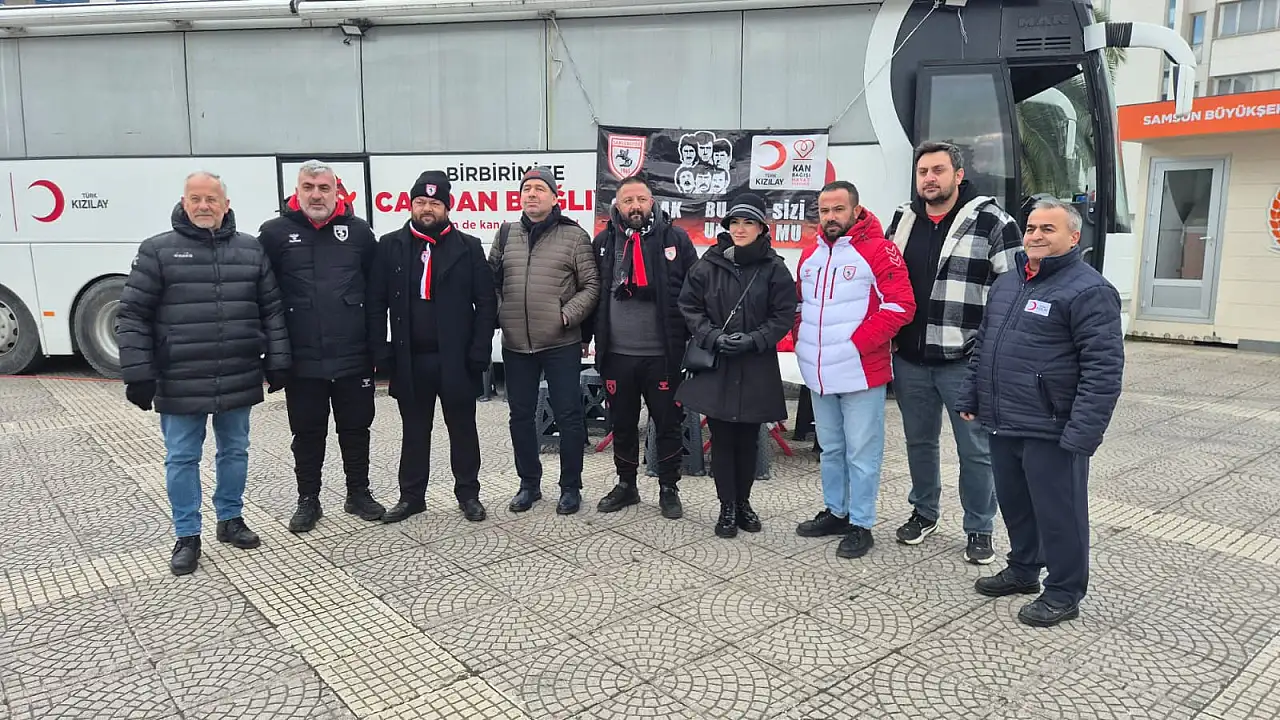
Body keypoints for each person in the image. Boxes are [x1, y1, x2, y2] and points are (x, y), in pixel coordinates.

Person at [958, 198, 1124, 627]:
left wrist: (1082, 433)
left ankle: (1065, 592)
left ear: (1073, 236)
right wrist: (971, 396)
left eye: (1048, 229)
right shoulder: (1008, 282)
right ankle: (1023, 569)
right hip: (1004, 420)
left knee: (1060, 514)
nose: (1035, 235)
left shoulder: (1090, 290)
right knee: (1016, 504)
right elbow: (985, 345)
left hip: (1052, 427)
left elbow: (1103, 370)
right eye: (1031, 228)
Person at [116, 171, 290, 576]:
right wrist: (138, 372)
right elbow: (133, 315)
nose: (203, 206)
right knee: (182, 457)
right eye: (195, 198)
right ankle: (187, 535)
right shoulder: (157, 250)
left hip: (237, 370)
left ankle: (230, 518)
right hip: (180, 375)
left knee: (235, 451)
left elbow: (271, 309)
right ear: (184, 202)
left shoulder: (250, 250)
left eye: (211, 199)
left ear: (225, 205)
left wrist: (278, 359)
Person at [885, 140, 1022, 565]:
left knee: (976, 451)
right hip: (910, 358)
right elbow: (885, 279)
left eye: (938, 170)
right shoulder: (903, 220)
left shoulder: (993, 222)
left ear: (958, 175)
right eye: (923, 171)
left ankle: (979, 528)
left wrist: (990, 351)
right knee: (919, 442)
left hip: (965, 361)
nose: (929, 178)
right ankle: (924, 513)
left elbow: (1014, 292)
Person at [257, 160, 387, 533]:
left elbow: (375, 296)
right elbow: (264, 297)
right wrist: (274, 355)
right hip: (303, 359)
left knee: (356, 428)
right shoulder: (274, 234)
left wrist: (378, 350)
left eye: (324, 188)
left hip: (353, 356)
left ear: (336, 191)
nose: (317, 195)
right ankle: (308, 500)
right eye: (309, 187)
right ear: (297, 191)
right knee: (307, 433)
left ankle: (358, 493)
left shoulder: (359, 233)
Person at [793, 181, 915, 559]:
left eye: (838, 209)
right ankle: (836, 512)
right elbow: (799, 307)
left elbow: (901, 306)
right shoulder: (810, 255)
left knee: (862, 453)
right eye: (824, 210)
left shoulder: (880, 250)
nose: (830, 217)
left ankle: (861, 523)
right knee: (830, 449)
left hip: (862, 373)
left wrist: (855, 344)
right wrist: (802, 343)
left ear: (856, 211)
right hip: (820, 375)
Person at [367, 171, 497, 524]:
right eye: (420, 202)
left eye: (435, 203)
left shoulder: (468, 246)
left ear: (447, 207)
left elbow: (486, 303)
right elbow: (376, 303)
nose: (427, 208)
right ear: (411, 205)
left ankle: (468, 494)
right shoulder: (390, 245)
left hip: (455, 358)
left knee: (463, 429)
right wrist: (380, 351)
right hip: (410, 358)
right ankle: (411, 497)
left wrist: (480, 350)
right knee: (414, 431)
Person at [676, 194, 796, 539]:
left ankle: (744, 502)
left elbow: (783, 314)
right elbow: (689, 307)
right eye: (735, 222)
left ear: (762, 228)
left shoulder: (774, 268)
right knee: (723, 439)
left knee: (749, 439)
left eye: (748, 223)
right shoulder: (708, 264)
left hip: (756, 365)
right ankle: (726, 506)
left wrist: (755, 339)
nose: (740, 229)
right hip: (719, 365)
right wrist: (713, 336)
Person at [582, 176, 698, 520]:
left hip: (663, 355)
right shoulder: (603, 242)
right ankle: (626, 484)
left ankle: (668, 488)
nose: (635, 206)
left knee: (667, 424)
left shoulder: (676, 239)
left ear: (652, 203)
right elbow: (593, 294)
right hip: (617, 354)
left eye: (641, 200)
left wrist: (691, 339)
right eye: (628, 200)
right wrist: (586, 339)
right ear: (616, 206)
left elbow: (695, 292)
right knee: (622, 423)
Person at [489, 167, 600, 515]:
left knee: (568, 416)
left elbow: (591, 286)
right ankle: (529, 484)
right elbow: (491, 281)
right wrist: (502, 312)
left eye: (540, 188)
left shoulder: (574, 236)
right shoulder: (506, 234)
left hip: (560, 343)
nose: (532, 194)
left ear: (554, 197)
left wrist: (564, 317)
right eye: (527, 189)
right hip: (516, 345)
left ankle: (570, 487)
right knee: (520, 416)